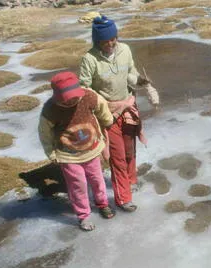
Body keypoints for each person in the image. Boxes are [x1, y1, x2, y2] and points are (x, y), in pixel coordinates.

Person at [79, 15, 150, 213]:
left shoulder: (125, 50)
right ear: (97, 40)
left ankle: (131, 180)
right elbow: (84, 89)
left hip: (128, 107)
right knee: (117, 156)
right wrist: (107, 105)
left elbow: (130, 73)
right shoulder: (90, 60)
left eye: (113, 39)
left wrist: (140, 81)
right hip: (106, 114)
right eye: (105, 40)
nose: (111, 43)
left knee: (129, 150)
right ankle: (123, 198)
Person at [38, 71, 116, 231]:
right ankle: (83, 216)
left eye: (74, 96)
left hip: (92, 149)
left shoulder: (89, 96)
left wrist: (107, 120)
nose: (71, 101)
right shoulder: (50, 110)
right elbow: (44, 133)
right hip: (68, 155)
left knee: (97, 179)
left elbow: (102, 108)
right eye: (67, 99)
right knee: (77, 185)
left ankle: (102, 204)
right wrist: (51, 153)